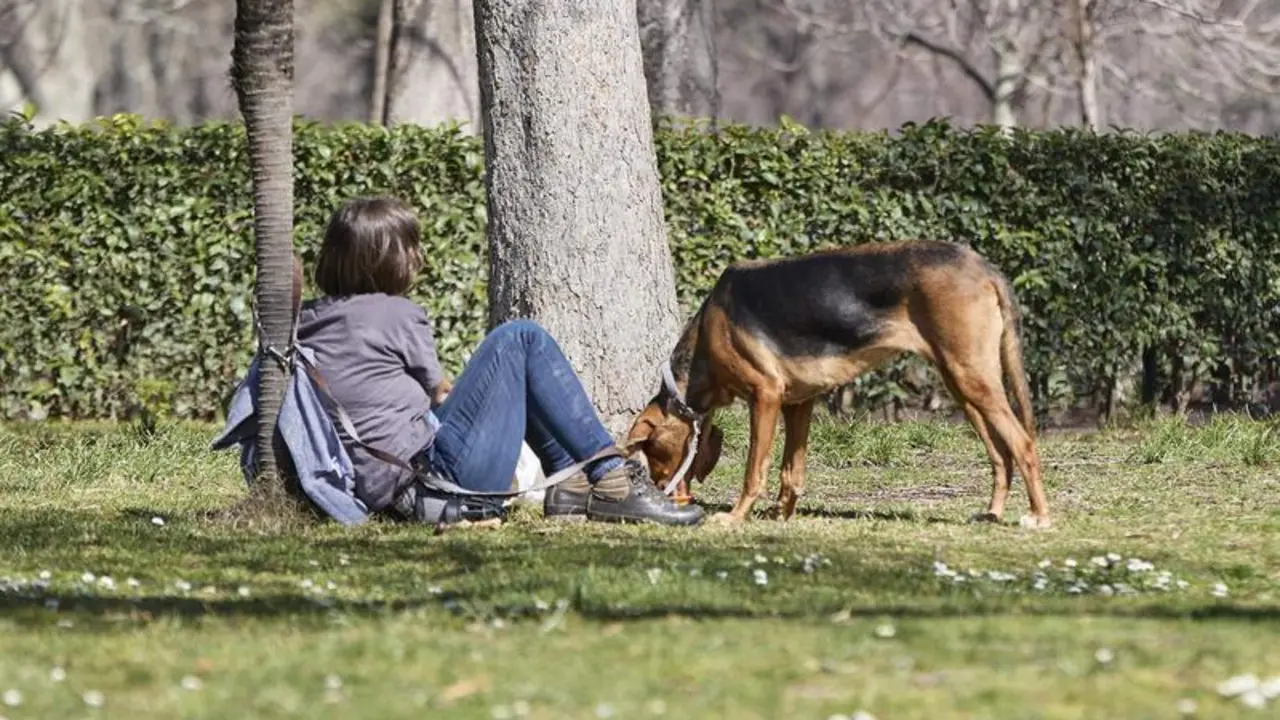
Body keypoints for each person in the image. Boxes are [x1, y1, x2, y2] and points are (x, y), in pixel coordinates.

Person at [295, 195, 705, 527]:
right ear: (389, 258)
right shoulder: (395, 314)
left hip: (384, 490)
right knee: (521, 339)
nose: (419, 258)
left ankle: (571, 485)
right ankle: (611, 477)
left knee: (512, 363)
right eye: (412, 248)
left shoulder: (309, 321)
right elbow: (438, 393)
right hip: (438, 484)